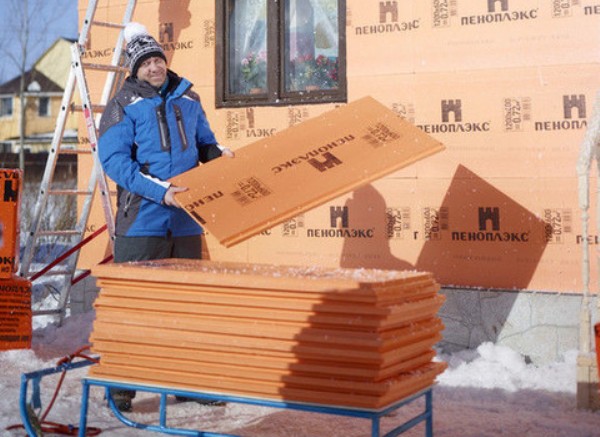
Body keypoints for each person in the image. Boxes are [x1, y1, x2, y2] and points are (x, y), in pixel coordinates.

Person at [98, 22, 234, 412]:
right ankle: (121, 387)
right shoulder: (124, 103)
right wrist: (162, 192)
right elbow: (116, 162)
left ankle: (187, 383)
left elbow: (205, 143)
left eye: (158, 58)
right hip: (143, 220)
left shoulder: (189, 98)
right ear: (134, 69)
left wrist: (219, 157)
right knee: (133, 304)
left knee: (186, 305)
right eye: (146, 62)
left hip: (186, 220)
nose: (154, 67)